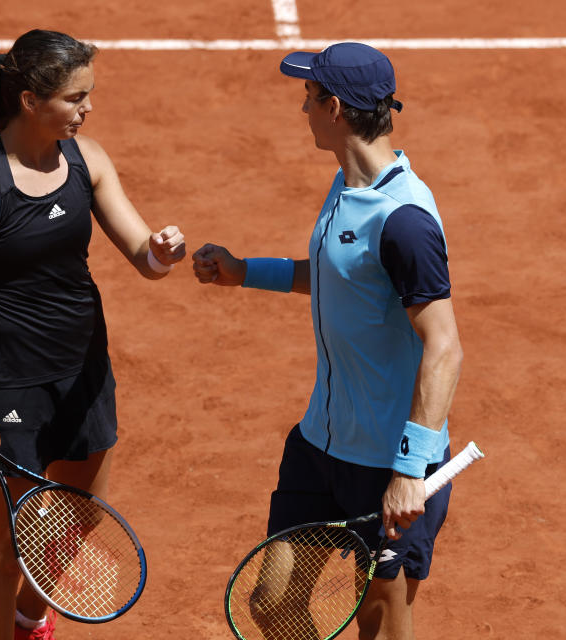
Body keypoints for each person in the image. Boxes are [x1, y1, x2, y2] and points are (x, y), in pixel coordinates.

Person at [193, 42, 463, 640]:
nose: (303, 109)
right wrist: (244, 271)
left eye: (308, 98)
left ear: (334, 107)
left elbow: (444, 346)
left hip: (388, 464)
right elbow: (337, 277)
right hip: (320, 445)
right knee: (273, 601)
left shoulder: (404, 220)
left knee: (381, 622)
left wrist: (410, 470)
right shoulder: (347, 185)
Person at [0, 29, 186, 640]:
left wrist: (163, 252)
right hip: (12, 383)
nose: (86, 109)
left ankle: (30, 616)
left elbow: (142, 256)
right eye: (74, 98)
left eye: (88, 96)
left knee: (80, 516)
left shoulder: (87, 159)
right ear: (29, 101)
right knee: (6, 543)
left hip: (85, 371)